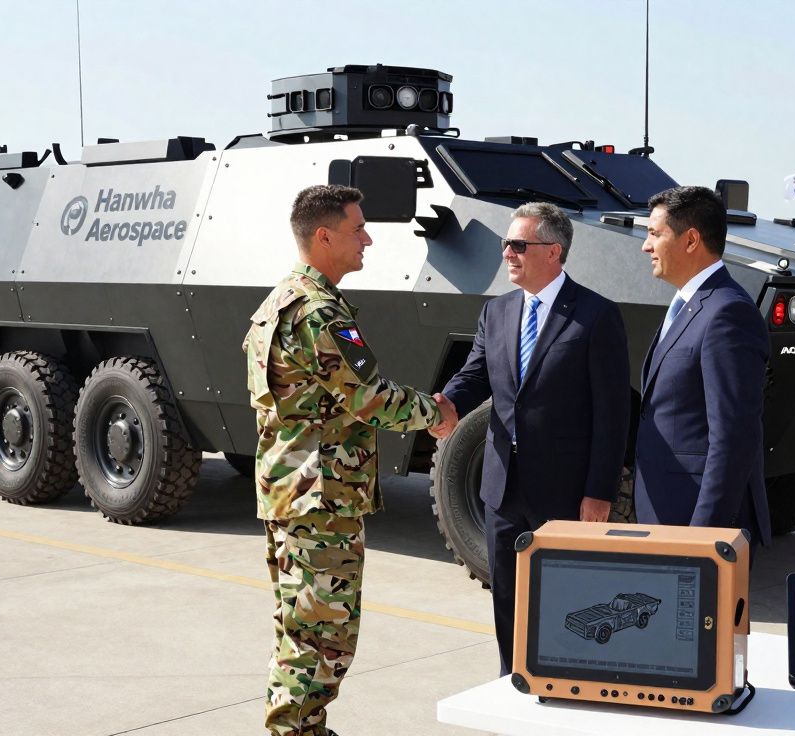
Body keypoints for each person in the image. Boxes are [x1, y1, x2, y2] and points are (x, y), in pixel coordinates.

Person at [243, 184, 455, 736]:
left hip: (292, 489)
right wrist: (435, 411)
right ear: (324, 235)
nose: (368, 239)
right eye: (358, 228)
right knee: (324, 635)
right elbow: (368, 398)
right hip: (319, 497)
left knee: (300, 630)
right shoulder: (319, 313)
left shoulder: (281, 300)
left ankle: (298, 729)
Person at [440, 201, 630, 676]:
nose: (508, 253)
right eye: (507, 244)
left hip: (566, 491)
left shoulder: (596, 316)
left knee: (570, 602)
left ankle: (569, 687)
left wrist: (599, 491)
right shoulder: (497, 312)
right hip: (502, 488)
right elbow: (476, 374)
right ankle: (513, 682)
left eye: (518, 244)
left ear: (554, 251)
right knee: (507, 595)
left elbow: (613, 413)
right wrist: (444, 405)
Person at [634, 185, 771, 548]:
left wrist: (703, 539)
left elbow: (733, 438)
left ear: (691, 240)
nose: (646, 246)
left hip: (696, 522)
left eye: (654, 234)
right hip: (666, 514)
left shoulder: (727, 313)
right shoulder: (688, 304)